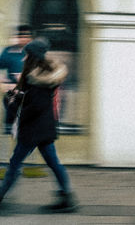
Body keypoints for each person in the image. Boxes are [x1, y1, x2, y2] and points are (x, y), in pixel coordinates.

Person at [0, 37, 77, 212]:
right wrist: (13, 96)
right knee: (53, 162)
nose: (23, 59)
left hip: (33, 130)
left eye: (26, 55)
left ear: (33, 56)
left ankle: (1, 194)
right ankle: (67, 198)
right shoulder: (38, 77)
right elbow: (28, 100)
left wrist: (13, 105)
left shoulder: (38, 79)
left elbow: (33, 106)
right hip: (43, 128)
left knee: (14, 163)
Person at [0, 25, 32, 128]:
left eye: (26, 36)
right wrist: (3, 81)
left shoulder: (33, 51)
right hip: (13, 90)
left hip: (30, 91)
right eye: (21, 36)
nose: (23, 38)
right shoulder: (9, 51)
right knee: (10, 107)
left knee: (27, 120)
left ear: (30, 38)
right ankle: (9, 129)